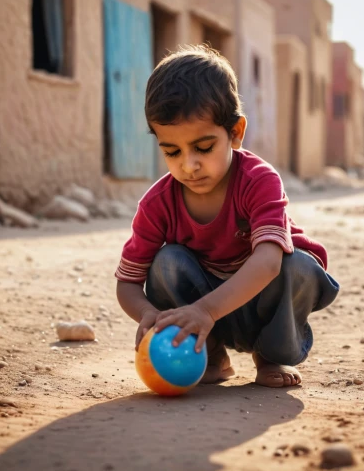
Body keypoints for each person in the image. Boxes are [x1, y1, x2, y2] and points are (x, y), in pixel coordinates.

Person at [116, 45, 339, 388]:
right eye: (172, 151)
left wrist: (206, 310)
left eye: (203, 148)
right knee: (166, 262)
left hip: (262, 304)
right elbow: (129, 282)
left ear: (235, 133)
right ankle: (211, 354)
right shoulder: (158, 203)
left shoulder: (259, 180)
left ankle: (270, 356)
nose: (188, 165)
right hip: (201, 319)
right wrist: (148, 313)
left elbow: (267, 264)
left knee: (300, 266)